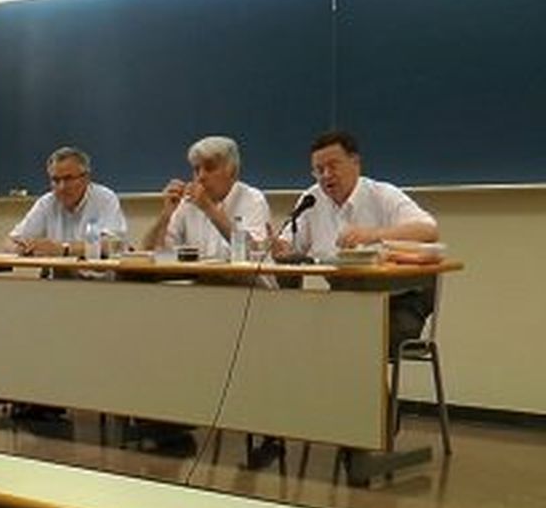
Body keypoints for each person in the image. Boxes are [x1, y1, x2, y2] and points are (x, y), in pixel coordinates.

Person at [275, 130, 440, 352]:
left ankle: (369, 388)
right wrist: (280, 247)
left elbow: (429, 230)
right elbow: (289, 247)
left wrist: (373, 235)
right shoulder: (312, 199)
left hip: (400, 300)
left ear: (355, 162)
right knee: (302, 334)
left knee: (355, 341)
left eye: (333, 166)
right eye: (319, 170)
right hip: (347, 299)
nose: (326, 175)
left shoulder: (382, 194)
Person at [142, 136, 271, 260]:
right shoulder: (188, 203)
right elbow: (149, 251)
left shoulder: (253, 199)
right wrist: (165, 216)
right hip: (202, 281)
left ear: (232, 172)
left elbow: (255, 253)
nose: (201, 177)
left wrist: (209, 208)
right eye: (197, 169)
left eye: (209, 168)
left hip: (245, 282)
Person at [5, 146, 127, 256]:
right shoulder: (47, 202)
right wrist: (25, 248)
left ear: (86, 178)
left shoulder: (105, 198)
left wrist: (63, 249)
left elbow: (112, 245)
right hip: (58, 279)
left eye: (68, 179)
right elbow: (10, 242)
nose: (62, 187)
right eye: (56, 180)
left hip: (97, 279)